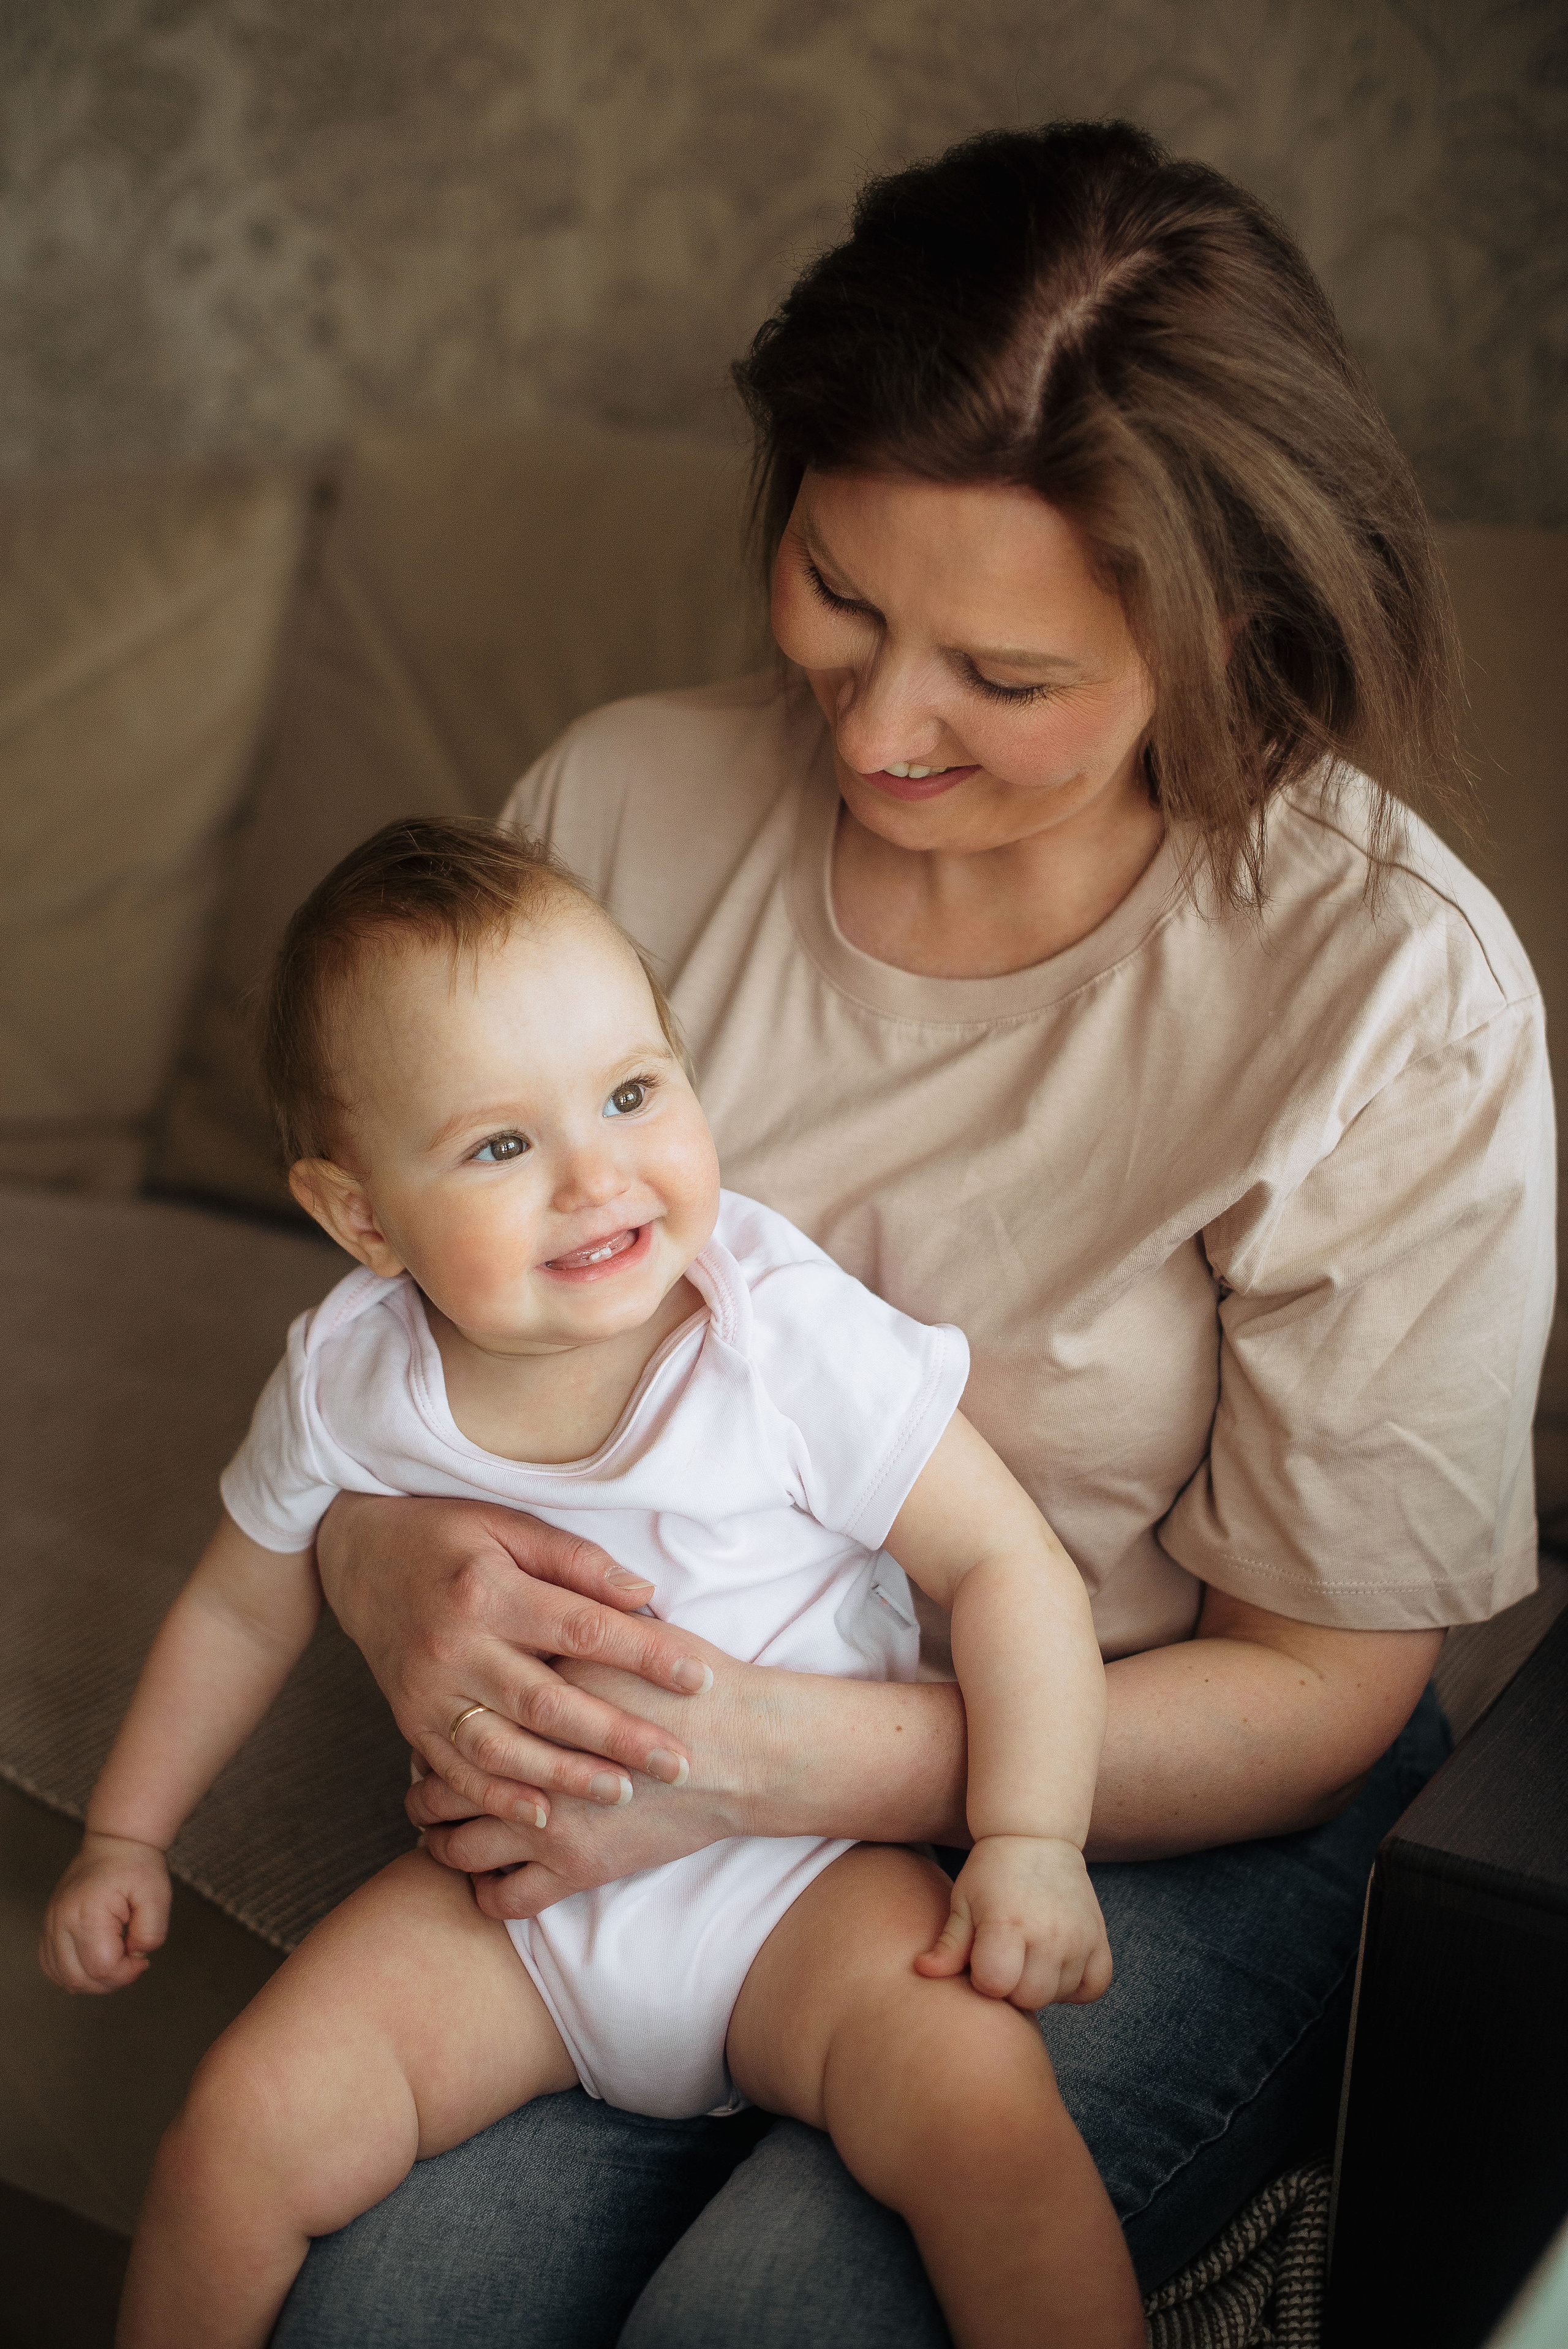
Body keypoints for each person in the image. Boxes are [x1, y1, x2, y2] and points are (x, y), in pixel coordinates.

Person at [214, 120, 1555, 2345]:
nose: (885, 726)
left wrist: (770, 1761)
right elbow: (402, 1343)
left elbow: (1327, 1688)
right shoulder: (614, 812)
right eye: (842, 595)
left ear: (1233, 633)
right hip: (669, 1807)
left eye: (1005, 680)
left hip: (1163, 1799)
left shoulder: (1384, 992)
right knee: (383, 2309)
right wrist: (383, 1571)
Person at [40, 819, 1145, 2349]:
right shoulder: (349, 1375)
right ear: (360, 1217)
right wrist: (126, 1833)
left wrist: (1029, 1840)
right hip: (509, 1906)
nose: (596, 1176)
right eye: (502, 1145)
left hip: (806, 1890)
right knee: (236, 2133)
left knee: (985, 2132)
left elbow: (1006, 1564)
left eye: (631, 1093)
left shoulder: (771, 1335)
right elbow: (243, 1599)